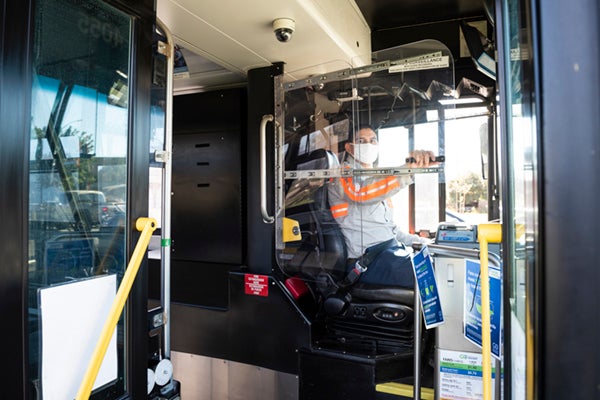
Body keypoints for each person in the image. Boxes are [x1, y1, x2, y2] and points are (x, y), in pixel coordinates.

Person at [327, 124, 439, 288]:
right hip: (367, 262)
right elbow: (361, 194)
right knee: (437, 272)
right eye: (361, 141)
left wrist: (425, 243)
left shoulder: (377, 180)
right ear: (349, 147)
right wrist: (407, 169)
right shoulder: (343, 173)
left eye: (373, 140)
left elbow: (391, 231)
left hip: (389, 253)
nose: (368, 145)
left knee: (442, 260)